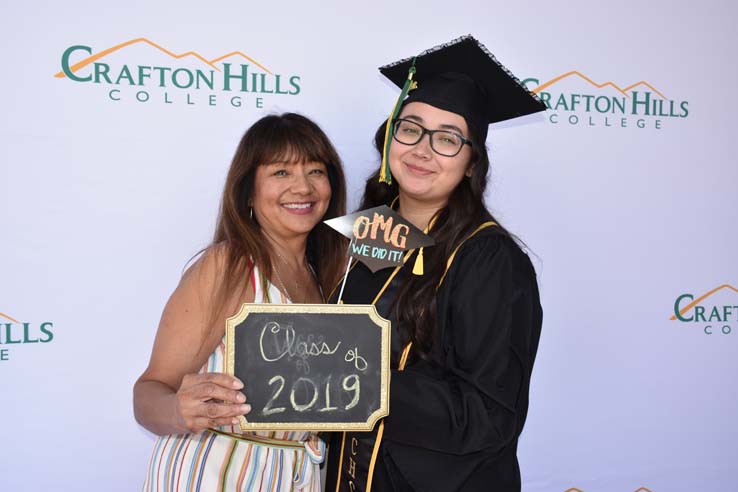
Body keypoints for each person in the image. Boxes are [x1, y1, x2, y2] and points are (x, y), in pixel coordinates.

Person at [325, 36, 545, 491]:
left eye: (447, 139)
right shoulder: (368, 235)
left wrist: (360, 382)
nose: (422, 150)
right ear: (389, 139)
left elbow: (489, 415)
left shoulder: (490, 260)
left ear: (470, 164)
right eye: (410, 129)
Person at [134, 112, 347, 491]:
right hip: (217, 473)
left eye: (315, 171)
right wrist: (178, 411)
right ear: (249, 190)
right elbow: (149, 391)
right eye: (281, 172)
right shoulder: (227, 266)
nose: (303, 187)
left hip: (296, 474)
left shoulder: (327, 279)